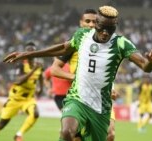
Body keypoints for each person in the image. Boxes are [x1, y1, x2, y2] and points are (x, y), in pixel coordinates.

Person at [3, 5, 152, 141]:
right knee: (67, 132)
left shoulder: (121, 43)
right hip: (77, 99)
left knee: (108, 136)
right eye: (102, 28)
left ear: (116, 26)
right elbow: (63, 48)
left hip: (101, 107)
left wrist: (151, 63)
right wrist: (26, 54)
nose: (105, 33)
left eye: (110, 29)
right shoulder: (82, 35)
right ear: (96, 24)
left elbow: (144, 66)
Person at [50, 8, 116, 141]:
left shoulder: (109, 43)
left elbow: (109, 71)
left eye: (94, 21)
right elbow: (54, 69)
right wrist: (76, 77)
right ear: (81, 23)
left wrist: (112, 88)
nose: (91, 24)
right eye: (87, 21)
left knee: (110, 134)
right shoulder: (77, 42)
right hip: (80, 97)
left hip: (102, 98)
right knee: (73, 135)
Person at [0, 42, 43, 141]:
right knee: (2, 124)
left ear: (35, 52)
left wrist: (41, 89)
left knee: (35, 114)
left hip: (28, 99)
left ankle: (18, 134)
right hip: (15, 99)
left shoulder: (39, 65)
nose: (31, 53)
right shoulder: (21, 64)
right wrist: (33, 70)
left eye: (33, 51)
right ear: (25, 52)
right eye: (28, 51)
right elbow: (18, 81)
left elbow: (40, 76)